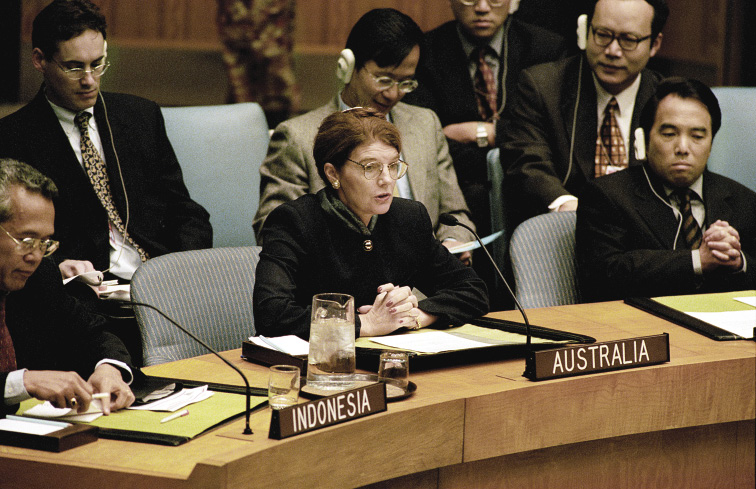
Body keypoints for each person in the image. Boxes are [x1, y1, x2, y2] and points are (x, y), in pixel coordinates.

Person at [0, 0, 212, 283]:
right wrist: (55, 269)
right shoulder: (13, 136)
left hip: (160, 280)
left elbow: (185, 211)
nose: (89, 80)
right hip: (85, 292)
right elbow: (12, 241)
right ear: (40, 60)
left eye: (97, 64)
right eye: (74, 67)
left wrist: (181, 269)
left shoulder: (140, 117)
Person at [253, 8, 476, 264]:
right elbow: (275, 234)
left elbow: (455, 215)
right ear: (347, 67)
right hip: (344, 289)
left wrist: (453, 241)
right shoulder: (297, 137)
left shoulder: (426, 125)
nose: (393, 94)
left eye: (405, 83)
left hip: (424, 290)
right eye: (383, 79)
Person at [254, 108, 489, 339]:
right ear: (333, 173)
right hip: (314, 365)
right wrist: (364, 323)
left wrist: (415, 315)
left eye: (393, 165)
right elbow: (271, 314)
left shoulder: (408, 218)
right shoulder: (295, 222)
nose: (387, 179)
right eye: (370, 167)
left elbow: (472, 290)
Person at [576, 78, 756, 302]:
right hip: (643, 327)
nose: (682, 148)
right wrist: (697, 260)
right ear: (645, 139)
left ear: (711, 143)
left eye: (698, 136)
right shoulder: (606, 196)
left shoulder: (745, 201)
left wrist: (738, 261)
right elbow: (602, 278)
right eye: (669, 134)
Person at [403, 0, 566, 236]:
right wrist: (511, 148)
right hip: (458, 195)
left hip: (532, 193)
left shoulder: (546, 48)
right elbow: (426, 138)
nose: (481, 7)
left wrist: (486, 133)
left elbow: (553, 131)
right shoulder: (425, 53)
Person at [501, 0, 668, 227]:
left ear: (655, 44)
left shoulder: (668, 100)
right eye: (603, 34)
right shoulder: (543, 87)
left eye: (628, 40)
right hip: (563, 233)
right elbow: (527, 163)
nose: (612, 50)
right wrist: (567, 206)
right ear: (586, 30)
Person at [0, 159, 134, 416]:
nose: (36, 256)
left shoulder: (39, 275)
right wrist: (23, 382)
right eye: (27, 240)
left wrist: (108, 368)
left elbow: (95, 334)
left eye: (45, 243)